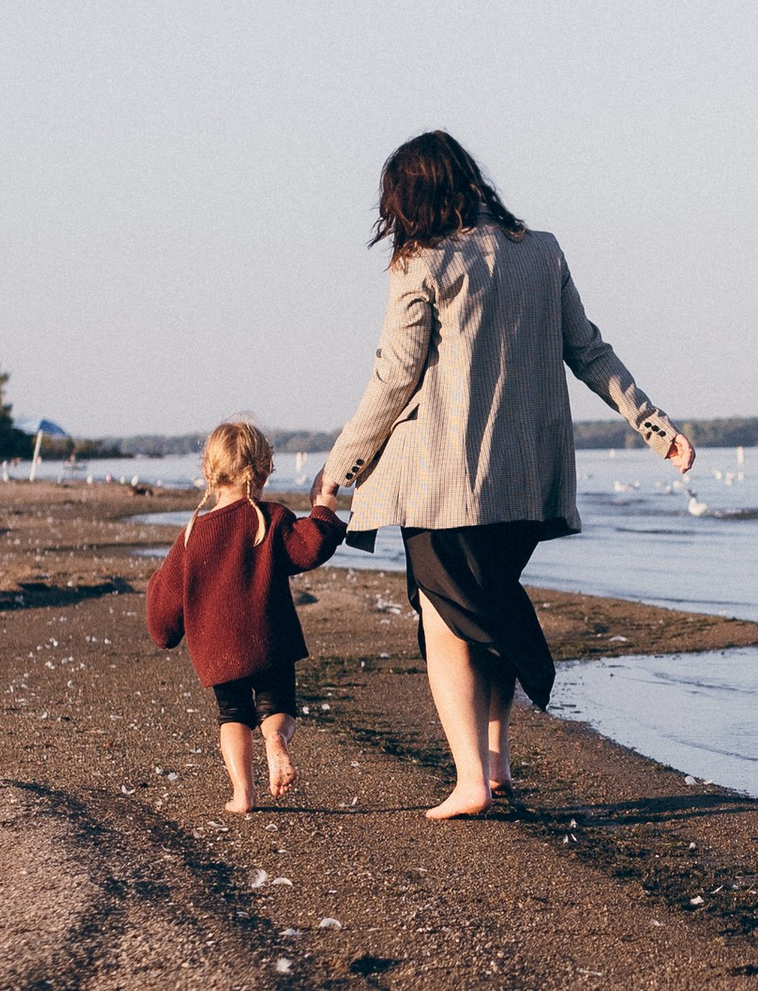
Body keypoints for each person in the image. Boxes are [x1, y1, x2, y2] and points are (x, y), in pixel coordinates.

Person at [316, 130, 693, 819]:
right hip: (523, 482)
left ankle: (470, 782)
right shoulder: (541, 251)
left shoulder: (422, 263)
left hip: (443, 481)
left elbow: (395, 377)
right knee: (484, 606)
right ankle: (496, 759)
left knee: (448, 620)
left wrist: (340, 466)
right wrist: (654, 426)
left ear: (412, 196)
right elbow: (588, 350)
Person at [146, 420, 347, 815]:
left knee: (233, 716)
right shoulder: (270, 518)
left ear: (209, 471)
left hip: (220, 653)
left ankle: (243, 794)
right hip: (271, 641)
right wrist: (323, 506)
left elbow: (165, 606)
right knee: (277, 708)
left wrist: (162, 624)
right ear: (265, 469)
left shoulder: (191, 535)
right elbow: (309, 549)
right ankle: (277, 741)